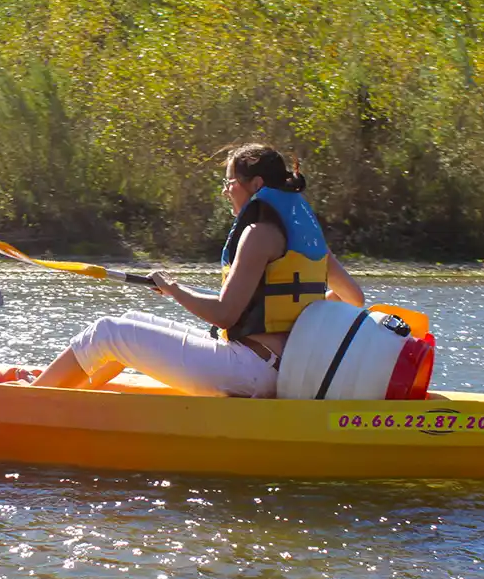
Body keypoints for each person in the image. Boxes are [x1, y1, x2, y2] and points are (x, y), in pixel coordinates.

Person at [29, 143, 364, 396]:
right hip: (277, 368)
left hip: (248, 369)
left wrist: (175, 290)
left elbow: (224, 315)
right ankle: (68, 392)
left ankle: (35, 403)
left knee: (108, 332)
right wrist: (308, 320)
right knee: (131, 321)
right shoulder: (304, 239)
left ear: (256, 184)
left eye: (230, 181)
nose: (226, 190)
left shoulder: (258, 234)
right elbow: (354, 298)